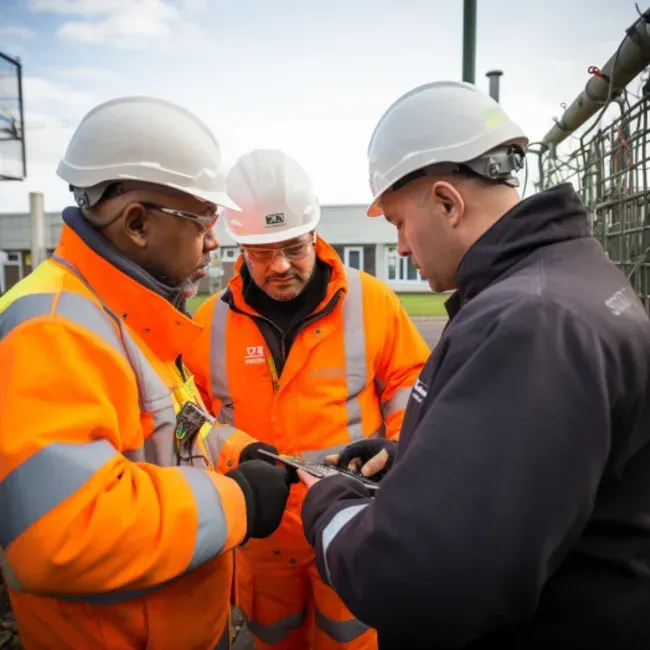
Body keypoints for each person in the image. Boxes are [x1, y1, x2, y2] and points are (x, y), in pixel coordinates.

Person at [298, 80, 650, 649]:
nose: (404, 248)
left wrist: (326, 502)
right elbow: (542, 471)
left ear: (447, 202)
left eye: (396, 224)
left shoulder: (529, 322)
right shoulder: (563, 282)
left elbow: (422, 583)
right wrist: (413, 461)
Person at [0, 97, 291, 650]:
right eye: (203, 221)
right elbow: (62, 532)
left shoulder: (128, 313)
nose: (215, 241)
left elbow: (178, 431)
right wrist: (238, 501)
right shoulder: (53, 328)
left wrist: (242, 454)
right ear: (136, 224)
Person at [183, 148, 430, 650]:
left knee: (353, 637)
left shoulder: (371, 301)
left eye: (293, 248)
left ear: (314, 235)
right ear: (239, 247)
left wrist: (398, 449)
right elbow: (193, 420)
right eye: (260, 252)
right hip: (260, 536)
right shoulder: (209, 322)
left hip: (352, 522)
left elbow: (414, 381)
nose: (279, 266)